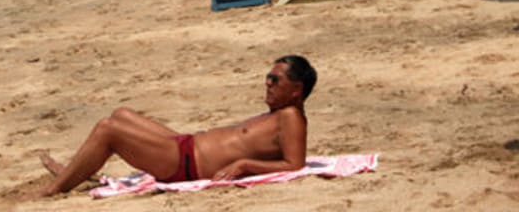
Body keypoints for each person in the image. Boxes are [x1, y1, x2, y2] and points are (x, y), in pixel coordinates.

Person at [37, 55, 315, 196]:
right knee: (121, 114)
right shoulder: (279, 114)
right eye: (268, 76)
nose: (267, 83)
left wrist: (245, 165)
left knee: (107, 129)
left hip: (186, 166)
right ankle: (78, 169)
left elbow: (294, 164)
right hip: (185, 146)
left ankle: (53, 191)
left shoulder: (291, 118)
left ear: (296, 90)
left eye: (275, 80)